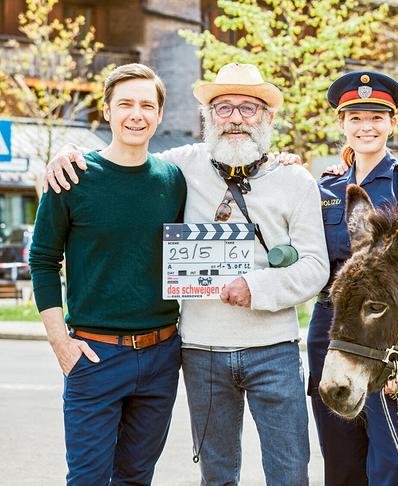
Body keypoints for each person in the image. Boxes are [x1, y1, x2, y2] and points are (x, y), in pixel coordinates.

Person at [42, 63, 329, 486]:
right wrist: (65, 150)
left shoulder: (296, 179)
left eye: (248, 109)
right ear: (207, 118)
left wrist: (257, 285)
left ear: (268, 118)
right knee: (217, 474)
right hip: (202, 349)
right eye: (223, 107)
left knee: (289, 472)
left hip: (274, 349)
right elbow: (122, 159)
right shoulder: (179, 167)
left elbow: (316, 267)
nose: (235, 118)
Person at [30, 63, 187, 485]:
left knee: (136, 478)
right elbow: (42, 260)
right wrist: (60, 343)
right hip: (95, 355)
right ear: (106, 111)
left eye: (146, 105)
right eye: (125, 104)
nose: (136, 114)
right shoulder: (72, 177)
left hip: (161, 354)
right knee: (88, 479)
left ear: (159, 115)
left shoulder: (173, 180)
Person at [308, 70, 398, 486]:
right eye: (356, 118)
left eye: (377, 117)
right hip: (331, 327)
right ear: (342, 124)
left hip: (388, 335)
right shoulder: (323, 188)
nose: (367, 127)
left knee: (392, 464)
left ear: (393, 124)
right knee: (341, 463)